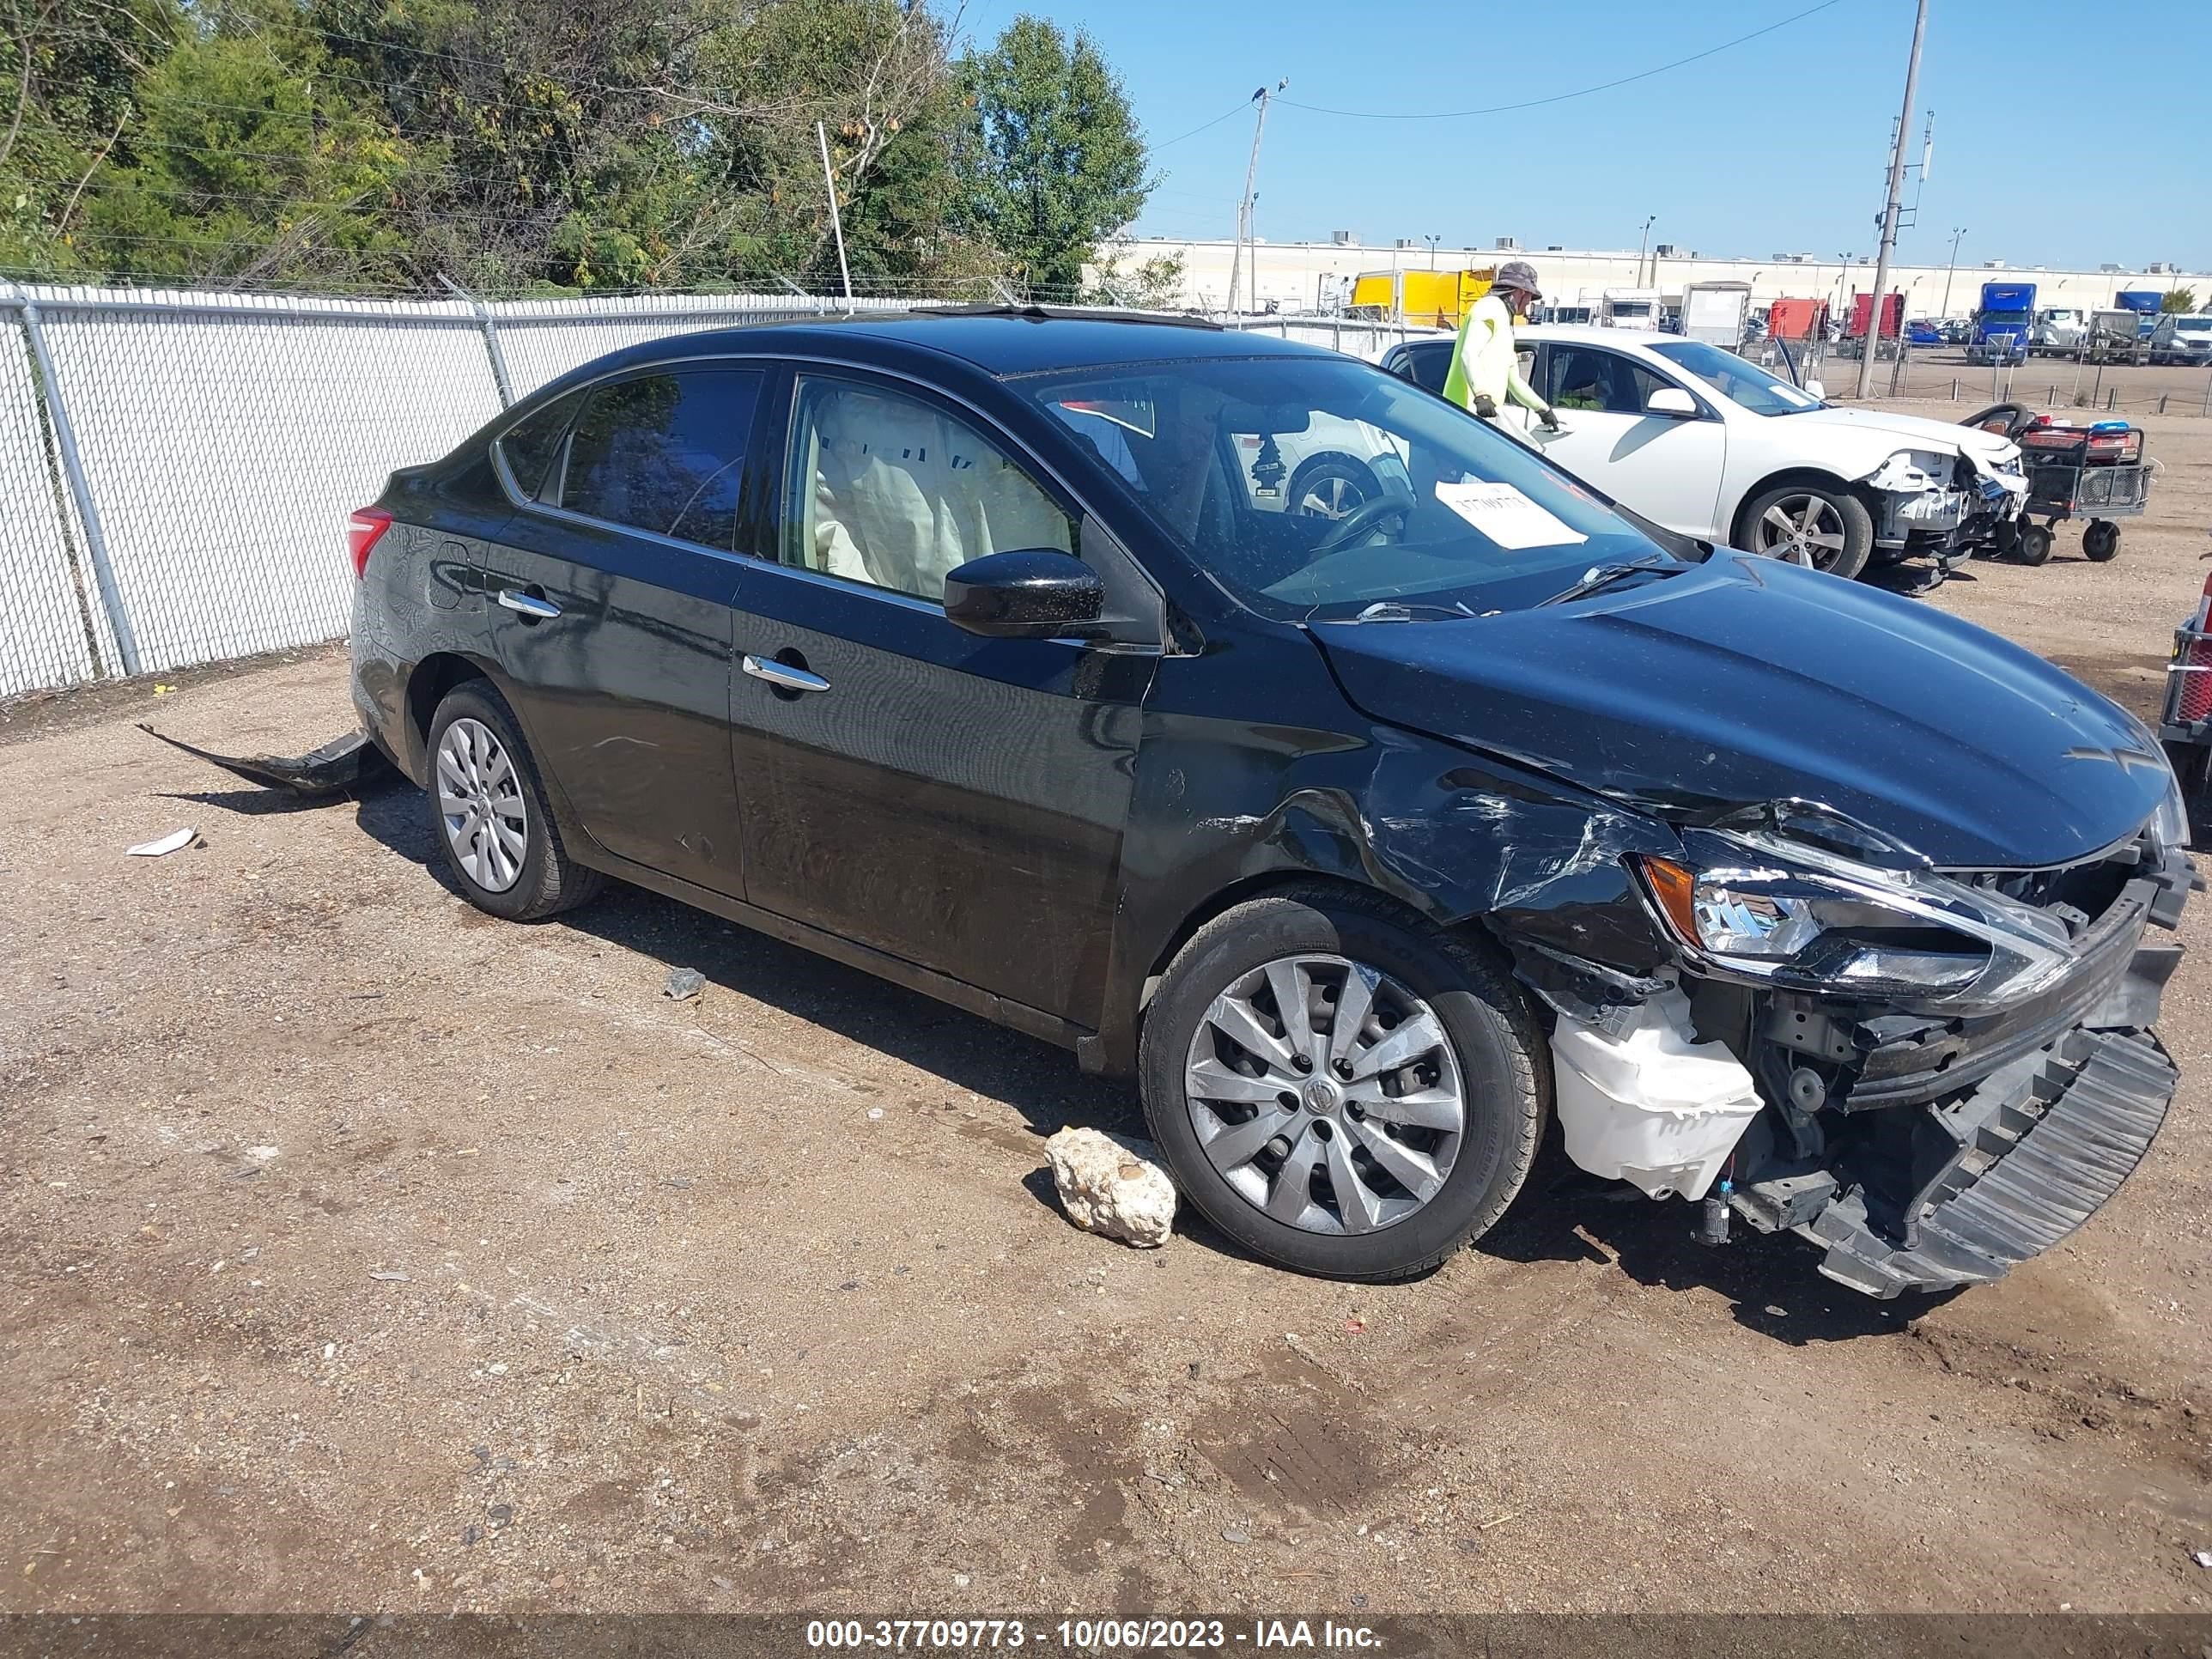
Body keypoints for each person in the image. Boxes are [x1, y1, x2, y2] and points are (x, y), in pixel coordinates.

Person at [1442, 258, 1559, 431]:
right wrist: (1482, 395)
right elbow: (1469, 353)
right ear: (1521, 292)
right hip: (1460, 415)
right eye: (1530, 298)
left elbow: (1514, 380)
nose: (1528, 304)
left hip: (1480, 419)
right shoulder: (1489, 307)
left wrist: (1542, 409)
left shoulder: (1504, 323)